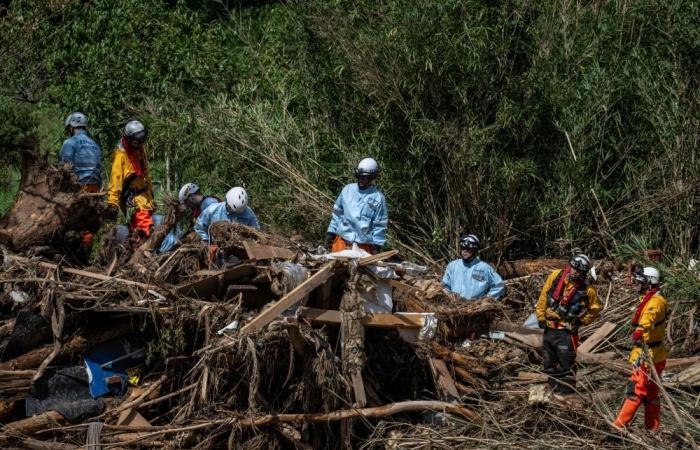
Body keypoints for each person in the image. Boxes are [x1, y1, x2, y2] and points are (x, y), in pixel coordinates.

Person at [536, 254, 600, 393]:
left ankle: (568, 395)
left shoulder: (588, 289)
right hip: (549, 329)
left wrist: (582, 321)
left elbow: (595, 309)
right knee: (549, 364)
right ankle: (552, 392)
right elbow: (543, 296)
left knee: (567, 365)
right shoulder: (555, 276)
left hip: (567, 332)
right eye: (573, 268)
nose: (575, 272)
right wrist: (540, 317)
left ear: (584, 272)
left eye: (579, 271)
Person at [613, 266, 667, 431]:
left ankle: (618, 426)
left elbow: (649, 318)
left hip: (647, 356)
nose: (635, 284)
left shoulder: (655, 302)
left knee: (636, 391)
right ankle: (652, 430)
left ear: (648, 283)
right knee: (651, 395)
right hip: (654, 355)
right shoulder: (650, 298)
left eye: (639, 281)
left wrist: (640, 330)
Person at [59, 112, 102, 259]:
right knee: (87, 225)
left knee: (60, 216)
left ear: (72, 127)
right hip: (95, 189)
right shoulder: (95, 145)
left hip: (78, 188)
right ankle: (84, 254)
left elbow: (64, 168)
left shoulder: (70, 143)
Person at [326, 158, 388, 254]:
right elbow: (337, 213)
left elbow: (380, 225)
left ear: (372, 177)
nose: (361, 179)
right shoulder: (347, 190)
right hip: (341, 243)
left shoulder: (378, 198)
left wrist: (377, 245)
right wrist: (331, 232)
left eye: (365, 177)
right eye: (359, 176)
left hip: (362, 248)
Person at [105, 120, 155, 237]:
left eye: (142, 141)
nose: (140, 144)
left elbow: (145, 174)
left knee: (137, 233)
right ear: (129, 140)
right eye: (137, 142)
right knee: (145, 231)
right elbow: (115, 181)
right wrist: (112, 203)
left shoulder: (140, 150)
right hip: (134, 200)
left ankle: (137, 251)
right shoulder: (121, 155)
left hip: (145, 198)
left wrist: (151, 195)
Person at [158, 183, 220, 253]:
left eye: (186, 202)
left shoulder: (209, 203)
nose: (187, 206)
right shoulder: (198, 208)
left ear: (191, 197)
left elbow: (215, 227)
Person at [442, 234, 504, 300]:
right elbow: (445, 285)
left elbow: (499, 285)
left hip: (476, 307)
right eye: (463, 248)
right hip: (455, 306)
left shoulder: (484, 268)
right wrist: (450, 296)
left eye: (468, 249)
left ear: (475, 250)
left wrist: (486, 299)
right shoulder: (452, 266)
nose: (464, 251)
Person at [194, 186, 260, 242]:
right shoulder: (212, 210)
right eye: (233, 210)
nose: (235, 213)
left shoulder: (248, 213)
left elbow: (256, 231)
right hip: (216, 246)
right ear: (227, 203)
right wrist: (206, 240)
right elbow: (199, 227)